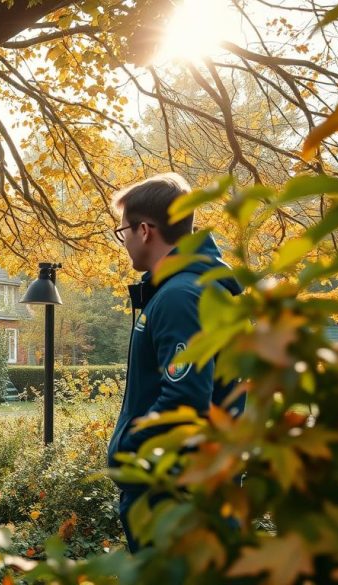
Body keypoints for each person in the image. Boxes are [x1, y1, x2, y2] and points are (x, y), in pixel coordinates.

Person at [106, 173, 245, 552]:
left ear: (146, 230)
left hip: (175, 499)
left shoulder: (181, 297)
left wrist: (128, 450)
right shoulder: (186, 290)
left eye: (124, 233)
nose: (125, 243)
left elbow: (185, 401)